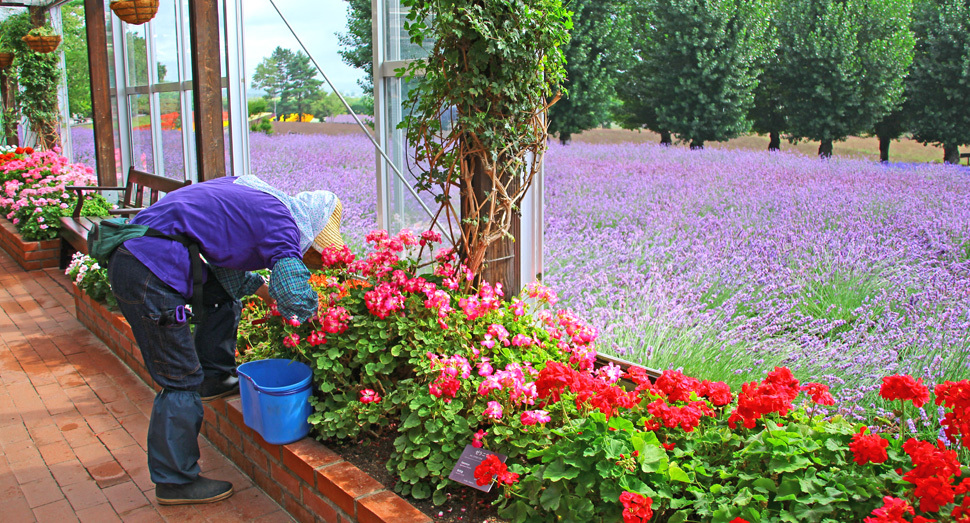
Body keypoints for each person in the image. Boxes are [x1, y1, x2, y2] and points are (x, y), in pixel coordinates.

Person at [106, 174, 342, 505]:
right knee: (179, 379)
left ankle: (214, 378)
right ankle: (174, 481)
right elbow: (293, 293)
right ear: (312, 231)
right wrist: (320, 323)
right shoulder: (284, 226)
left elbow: (224, 263)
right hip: (148, 269)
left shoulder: (264, 201)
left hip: (140, 255)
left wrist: (261, 289)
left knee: (220, 296)